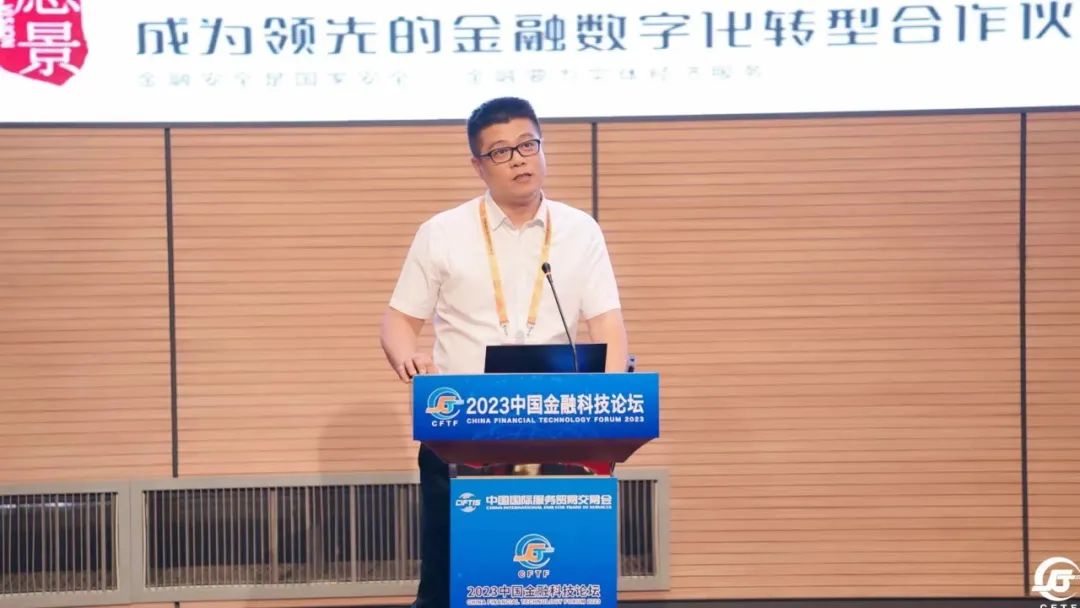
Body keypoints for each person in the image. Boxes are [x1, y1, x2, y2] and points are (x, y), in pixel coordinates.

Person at [379, 96, 628, 608]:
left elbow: (608, 326)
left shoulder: (580, 231)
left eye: (527, 145)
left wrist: (606, 408)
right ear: (478, 165)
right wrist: (408, 357)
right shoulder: (442, 233)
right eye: (500, 152)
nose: (518, 159)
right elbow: (398, 320)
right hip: (461, 432)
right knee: (451, 581)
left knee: (556, 579)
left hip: (557, 430)